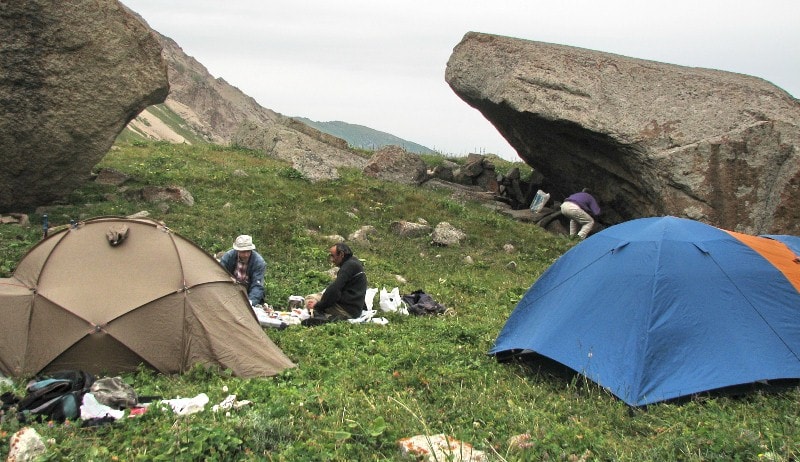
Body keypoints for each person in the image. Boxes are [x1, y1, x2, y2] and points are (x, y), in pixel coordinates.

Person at [305, 243, 367, 322]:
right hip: (354, 309)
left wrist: (318, 306)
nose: (332, 260)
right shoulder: (354, 263)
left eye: (332, 256)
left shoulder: (348, 267)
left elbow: (334, 290)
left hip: (346, 310)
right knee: (321, 298)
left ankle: (321, 316)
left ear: (341, 254)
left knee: (310, 299)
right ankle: (325, 315)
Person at [219, 235, 266, 306]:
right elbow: (219, 274)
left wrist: (250, 302)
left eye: (248, 251)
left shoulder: (259, 262)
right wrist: (227, 278)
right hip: (230, 290)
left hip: (249, 292)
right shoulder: (228, 257)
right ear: (237, 250)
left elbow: (257, 285)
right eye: (243, 252)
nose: (246, 255)